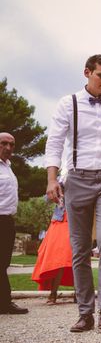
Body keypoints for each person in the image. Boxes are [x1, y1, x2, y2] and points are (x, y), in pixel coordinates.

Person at [45, 54, 101, 333]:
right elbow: (55, 142)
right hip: (77, 179)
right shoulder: (68, 104)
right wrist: (52, 179)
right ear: (87, 73)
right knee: (80, 248)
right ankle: (85, 313)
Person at [0, 133, 28, 314]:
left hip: (7, 220)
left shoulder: (8, 167)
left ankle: (3, 303)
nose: (8, 148)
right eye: (3, 144)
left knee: (3, 263)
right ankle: (5, 302)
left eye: (12, 145)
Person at [32, 184, 74, 304]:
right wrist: (56, 189)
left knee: (74, 257)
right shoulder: (59, 181)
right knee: (57, 259)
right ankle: (53, 292)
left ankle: (80, 293)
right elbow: (46, 199)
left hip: (75, 222)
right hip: (58, 223)